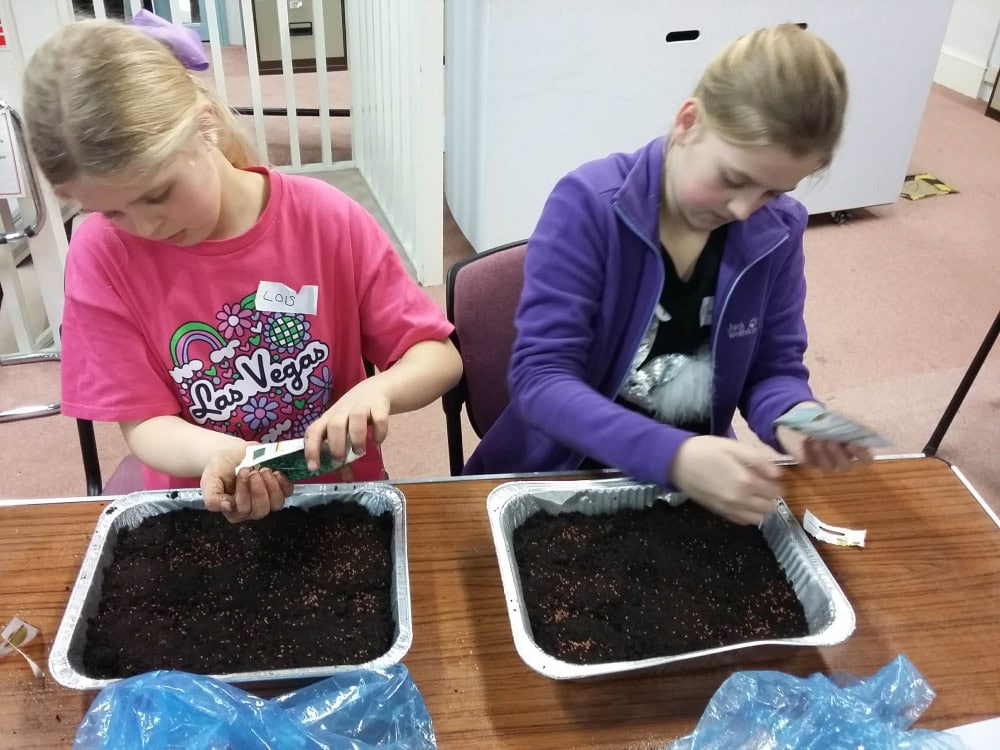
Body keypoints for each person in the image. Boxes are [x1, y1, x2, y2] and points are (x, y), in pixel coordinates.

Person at [22, 17, 462, 522]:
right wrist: (219, 456)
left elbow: (438, 358)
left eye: (158, 193)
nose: (146, 226)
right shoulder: (102, 254)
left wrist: (378, 389)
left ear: (204, 125)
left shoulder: (325, 218)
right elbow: (144, 423)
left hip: (338, 501)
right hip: (201, 509)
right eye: (113, 211)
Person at [465, 24, 871, 525]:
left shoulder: (779, 231)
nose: (745, 210)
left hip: (687, 491)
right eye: (733, 179)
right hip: (561, 480)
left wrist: (796, 418)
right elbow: (541, 380)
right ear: (688, 122)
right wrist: (674, 456)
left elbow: (773, 369)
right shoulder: (588, 206)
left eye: (772, 192)